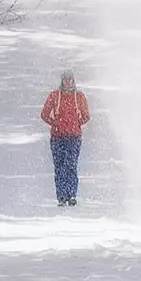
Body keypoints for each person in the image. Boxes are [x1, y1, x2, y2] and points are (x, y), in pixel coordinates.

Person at [39, 71, 90, 206]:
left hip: (74, 138)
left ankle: (72, 194)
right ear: (62, 81)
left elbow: (86, 116)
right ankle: (61, 196)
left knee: (71, 166)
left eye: (70, 79)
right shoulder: (54, 96)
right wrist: (54, 123)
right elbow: (44, 114)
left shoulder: (79, 97)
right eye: (65, 79)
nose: (68, 82)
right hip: (57, 138)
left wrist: (76, 124)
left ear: (73, 81)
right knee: (60, 167)